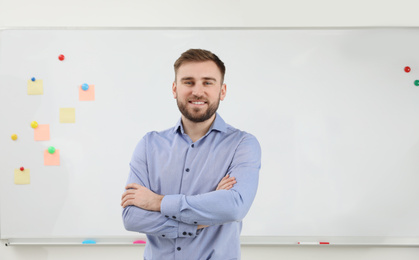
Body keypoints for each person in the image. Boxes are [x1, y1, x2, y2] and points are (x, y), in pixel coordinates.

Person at [121, 49, 261, 260]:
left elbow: (234, 207)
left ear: (222, 91)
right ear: (175, 89)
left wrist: (158, 202)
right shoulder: (149, 145)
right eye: (188, 82)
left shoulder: (242, 144)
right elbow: (132, 217)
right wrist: (204, 220)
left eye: (207, 82)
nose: (197, 91)